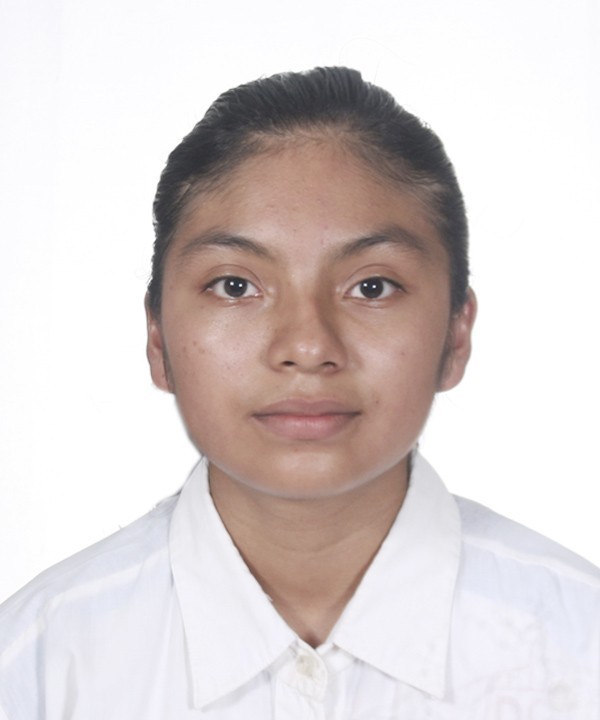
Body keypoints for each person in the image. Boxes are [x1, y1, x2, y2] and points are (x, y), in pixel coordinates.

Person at [0, 66, 598, 719]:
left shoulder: (581, 646)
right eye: (235, 286)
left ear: (456, 334)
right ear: (158, 337)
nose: (308, 346)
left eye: (372, 287)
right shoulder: (37, 665)